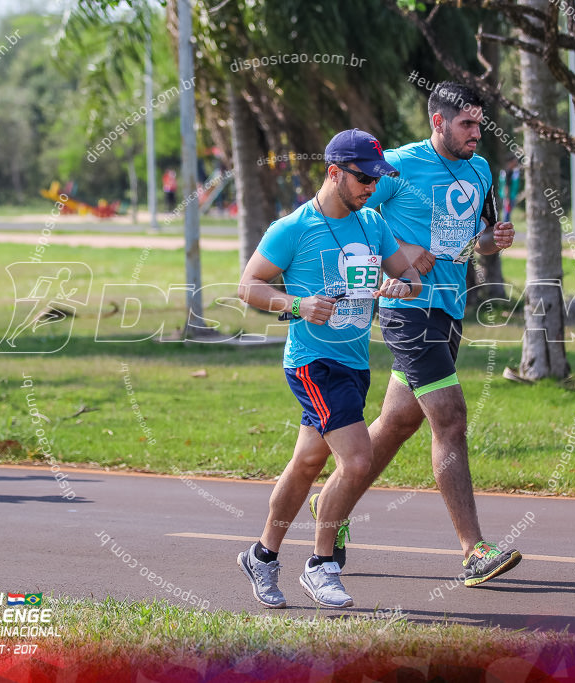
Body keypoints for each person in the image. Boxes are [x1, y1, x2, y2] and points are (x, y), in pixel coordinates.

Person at [317, 82, 522, 586]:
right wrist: (401, 249)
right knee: (450, 417)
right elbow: (348, 211)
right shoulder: (401, 166)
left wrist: (490, 243)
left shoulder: (479, 170)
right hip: (407, 308)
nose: (477, 132)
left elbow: (471, 243)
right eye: (467, 124)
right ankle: (474, 551)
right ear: (438, 122)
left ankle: (330, 507)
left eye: (480, 123)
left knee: (397, 422)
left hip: (450, 308)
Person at [237, 129, 421, 609]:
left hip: (354, 364)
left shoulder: (373, 224)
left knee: (306, 464)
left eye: (378, 179)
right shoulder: (293, 228)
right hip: (313, 364)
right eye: (364, 178)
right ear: (334, 172)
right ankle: (322, 565)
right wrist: (296, 304)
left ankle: (262, 555)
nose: (371, 188)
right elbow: (249, 286)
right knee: (357, 460)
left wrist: (402, 286)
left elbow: (410, 276)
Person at [498, 157, 522, 222]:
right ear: (510, 162)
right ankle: (504, 229)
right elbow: (507, 186)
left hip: (507, 196)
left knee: (507, 214)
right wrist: (507, 199)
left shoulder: (508, 171)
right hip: (508, 197)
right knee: (506, 215)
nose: (516, 163)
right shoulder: (509, 172)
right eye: (515, 161)